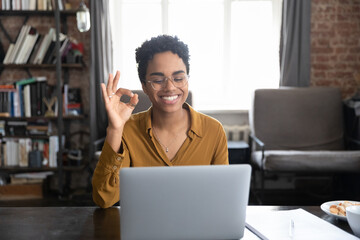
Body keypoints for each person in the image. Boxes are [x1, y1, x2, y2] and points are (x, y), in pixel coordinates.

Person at [92, 35, 229, 208]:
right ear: (144, 86)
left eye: (178, 78)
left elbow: (222, 197)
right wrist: (115, 129)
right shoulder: (127, 130)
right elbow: (104, 199)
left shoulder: (214, 130)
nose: (170, 87)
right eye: (157, 80)